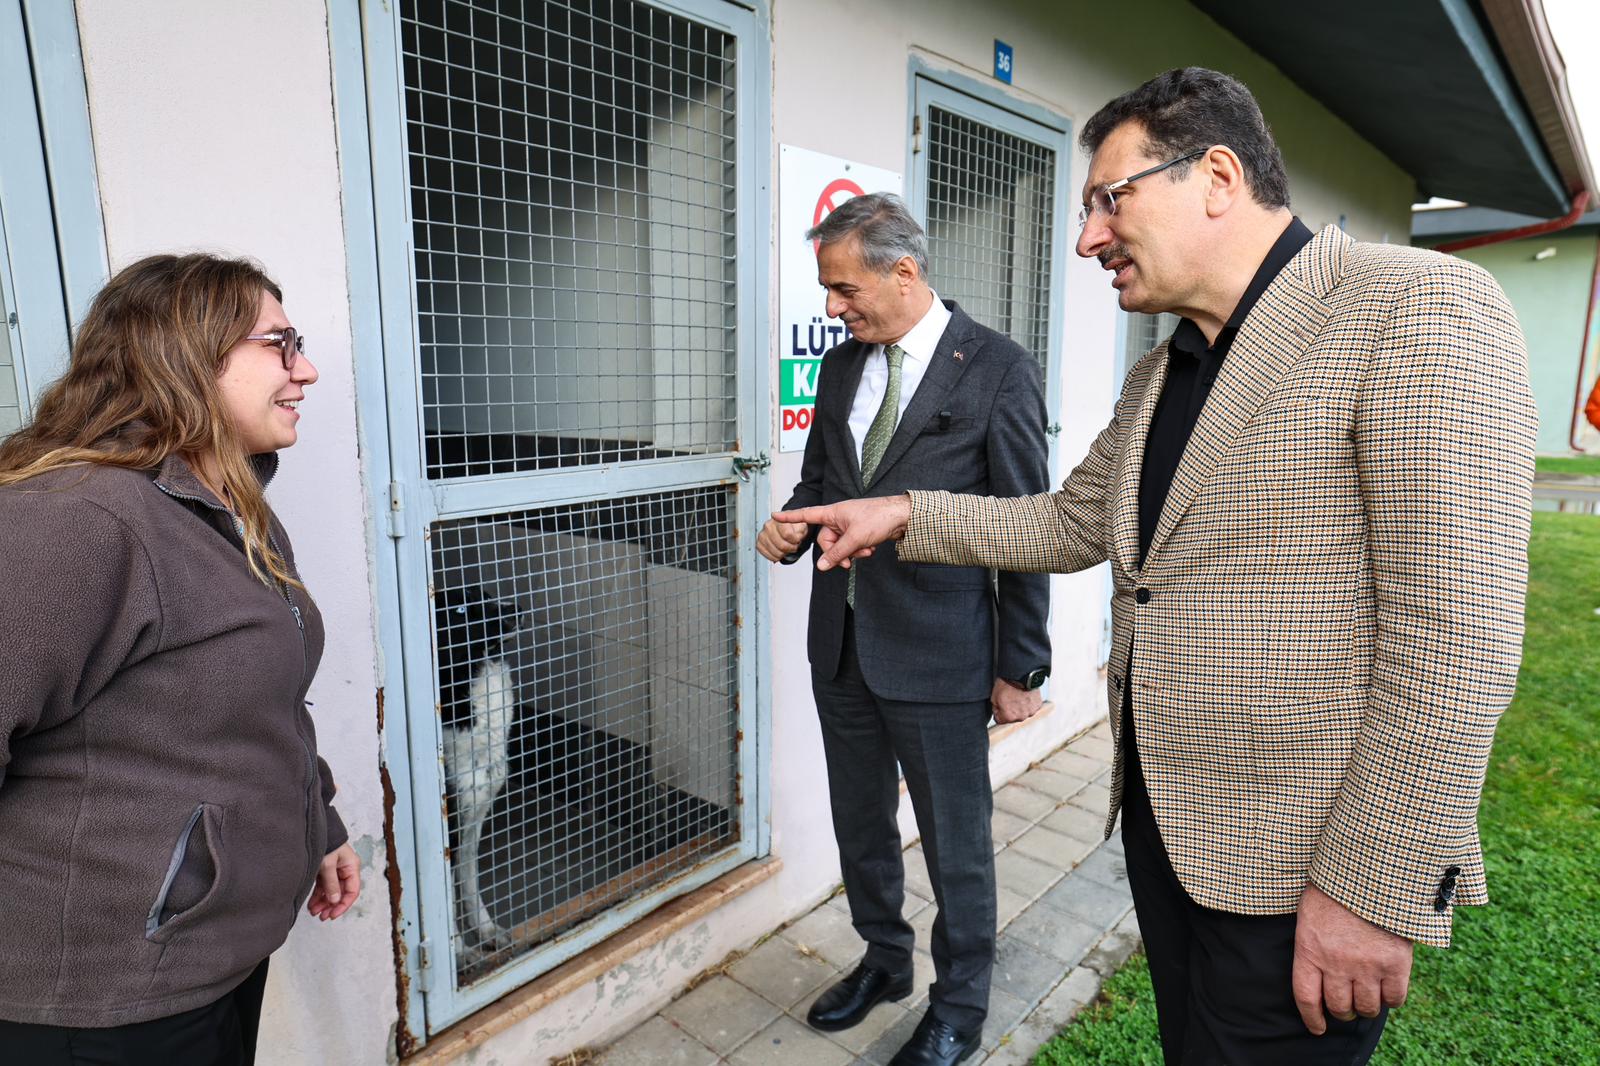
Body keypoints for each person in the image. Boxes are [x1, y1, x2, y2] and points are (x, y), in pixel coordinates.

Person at [777, 68, 1536, 1066]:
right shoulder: (1161, 370)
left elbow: (1458, 641)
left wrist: (1372, 886)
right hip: (1168, 839)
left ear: (1214, 175)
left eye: (1107, 199)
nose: (1088, 236)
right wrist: (904, 512)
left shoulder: (1412, 308)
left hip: (1302, 879)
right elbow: (1064, 522)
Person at [0, 253, 360, 1065]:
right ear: (188, 353)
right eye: (280, 343)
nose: (304, 369)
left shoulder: (232, 509)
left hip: (210, 963)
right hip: (99, 1006)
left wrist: (319, 825)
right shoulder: (78, 521)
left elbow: (263, 702)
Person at [757, 193, 1051, 1066]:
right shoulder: (845, 368)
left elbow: (1028, 523)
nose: (832, 308)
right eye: (828, 291)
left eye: (844, 289)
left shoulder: (998, 368)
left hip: (941, 655)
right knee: (861, 824)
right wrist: (786, 529)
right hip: (841, 643)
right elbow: (822, 482)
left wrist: (1020, 668)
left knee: (956, 847)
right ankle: (885, 961)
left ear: (905, 272)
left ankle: (959, 1004)